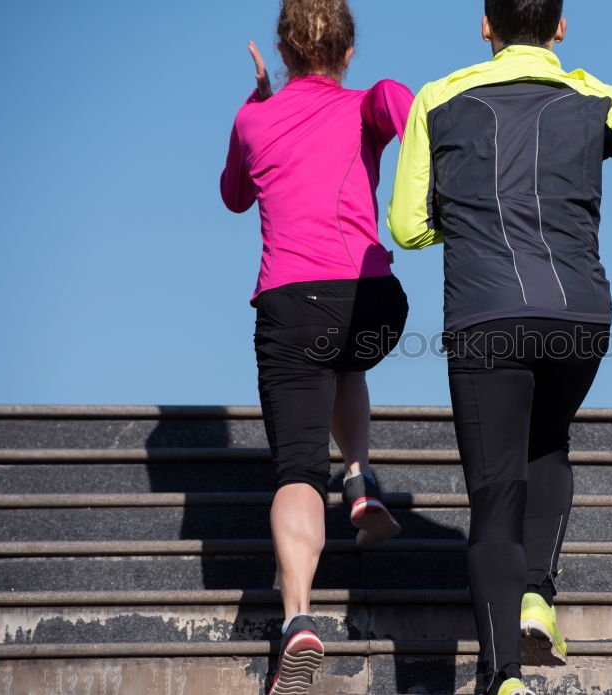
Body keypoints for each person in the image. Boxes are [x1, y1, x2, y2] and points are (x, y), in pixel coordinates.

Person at [387, 1, 612, 694]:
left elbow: (405, 225)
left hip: (487, 314)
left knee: (493, 493)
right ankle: (537, 595)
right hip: (580, 312)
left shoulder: (438, 97)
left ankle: (502, 678)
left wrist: (462, 227)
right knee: (547, 443)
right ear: (560, 26)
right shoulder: (599, 96)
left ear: (484, 25)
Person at [219, 1, 413, 692]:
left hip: (291, 305)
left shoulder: (254, 118)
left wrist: (261, 96)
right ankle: (359, 478)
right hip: (373, 300)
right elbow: (404, 106)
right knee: (347, 355)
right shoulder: (367, 103)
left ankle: (299, 618)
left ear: (284, 49)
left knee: (298, 470)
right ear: (348, 52)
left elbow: (234, 195)